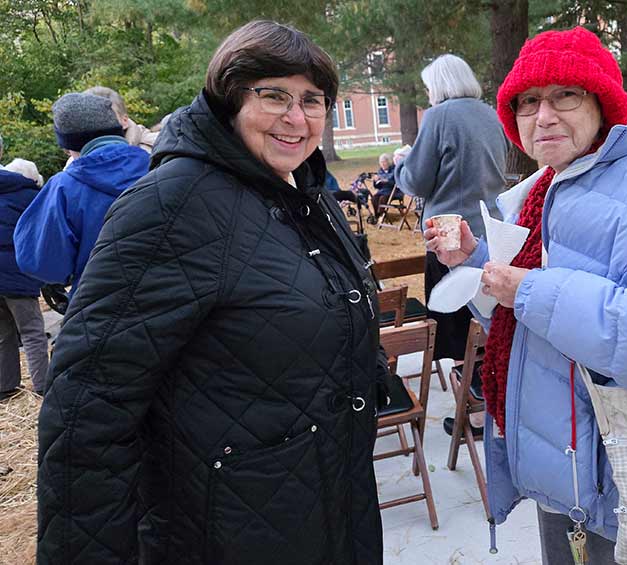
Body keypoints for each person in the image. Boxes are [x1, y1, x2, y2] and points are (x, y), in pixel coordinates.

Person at [37, 20, 387, 565]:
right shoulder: (172, 205)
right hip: (226, 528)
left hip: (330, 501)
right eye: (274, 96)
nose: (297, 118)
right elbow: (88, 407)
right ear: (230, 100)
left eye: (312, 100)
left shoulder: (307, 194)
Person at [424, 27, 627, 565]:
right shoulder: (532, 195)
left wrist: (527, 288)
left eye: (565, 95)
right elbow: (520, 328)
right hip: (559, 475)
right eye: (528, 101)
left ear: (603, 104)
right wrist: (477, 266)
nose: (544, 115)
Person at [394, 54, 508, 392]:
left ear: (439, 85)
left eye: (429, 87)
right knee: (485, 322)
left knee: (457, 334)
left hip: (449, 236)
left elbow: (416, 181)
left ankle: (469, 402)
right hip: (491, 233)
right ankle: (487, 395)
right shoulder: (491, 114)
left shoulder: (439, 116)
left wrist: (401, 163)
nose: (428, 94)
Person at [14, 93, 150, 300]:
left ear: (68, 145)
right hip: (177, 301)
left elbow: (41, 264)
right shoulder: (161, 166)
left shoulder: (64, 187)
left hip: (102, 304)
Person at [0, 140, 49, 399]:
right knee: (32, 331)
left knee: (3, 332)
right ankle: (42, 385)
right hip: (17, 273)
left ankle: (5, 386)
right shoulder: (28, 195)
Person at [84, 86, 160, 152]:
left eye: (107, 117)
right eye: (89, 118)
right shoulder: (78, 158)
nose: (98, 123)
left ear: (125, 120)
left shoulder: (157, 147)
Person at [367, 153, 399, 223]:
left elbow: (396, 183)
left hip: (393, 191)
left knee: (382, 198)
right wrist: (375, 181)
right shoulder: (380, 171)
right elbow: (377, 186)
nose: (383, 164)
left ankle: (382, 215)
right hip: (383, 191)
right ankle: (377, 215)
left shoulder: (394, 170)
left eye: (384, 162)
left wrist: (387, 181)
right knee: (374, 198)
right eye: (381, 162)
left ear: (388, 162)